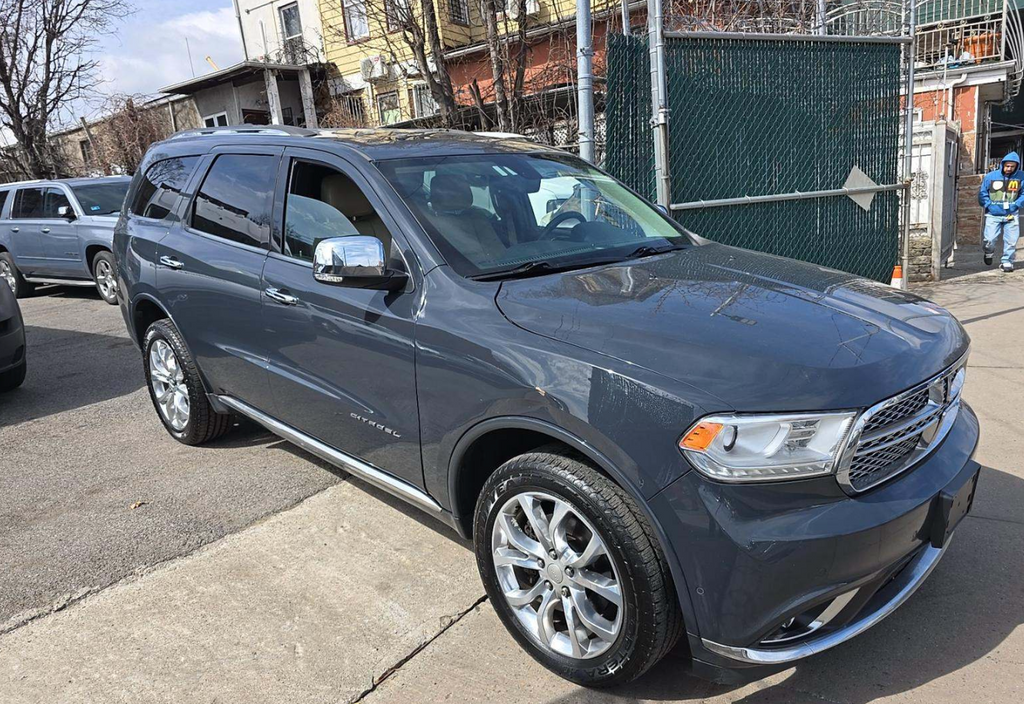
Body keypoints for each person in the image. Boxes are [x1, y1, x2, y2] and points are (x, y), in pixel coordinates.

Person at [978, 151, 1024, 273]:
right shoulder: (991, 177)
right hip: (993, 214)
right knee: (989, 239)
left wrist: (1016, 204)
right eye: (1007, 166)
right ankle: (988, 252)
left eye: (1012, 166)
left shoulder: (1021, 177)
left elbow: (1023, 194)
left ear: (1016, 166)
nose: (1009, 169)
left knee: (1011, 240)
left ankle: (1007, 261)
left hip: (1011, 214)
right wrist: (988, 205)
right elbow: (983, 193)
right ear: (1003, 164)